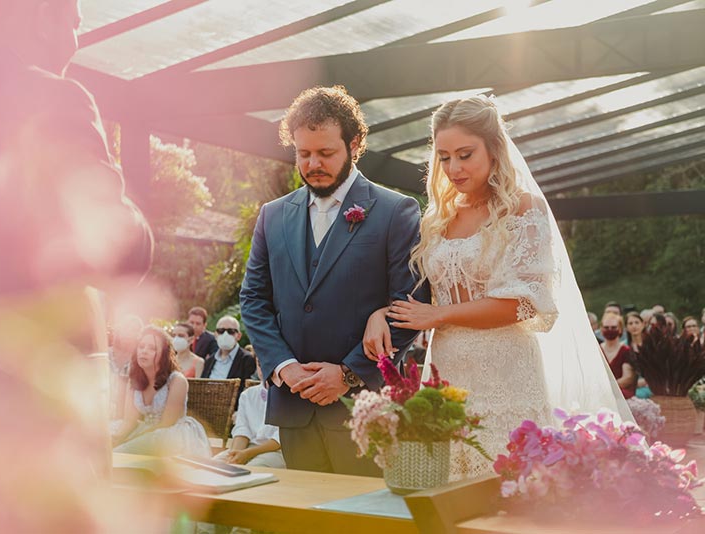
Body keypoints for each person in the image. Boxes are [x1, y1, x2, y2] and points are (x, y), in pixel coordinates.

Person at [0, 1, 158, 531]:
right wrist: (133, 216)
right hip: (37, 388)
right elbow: (116, 247)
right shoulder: (53, 96)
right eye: (73, 13)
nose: (81, 26)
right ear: (40, 13)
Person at [364, 95, 631, 480]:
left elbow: (521, 303)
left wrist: (440, 315)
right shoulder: (438, 218)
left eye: (465, 154)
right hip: (447, 371)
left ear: (494, 149)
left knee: (506, 490)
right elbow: (414, 293)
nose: (453, 168)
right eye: (444, 157)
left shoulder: (523, 208)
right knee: (447, 491)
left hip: (508, 372)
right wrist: (379, 313)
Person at [240, 86, 427, 475]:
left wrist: (347, 374)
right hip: (294, 405)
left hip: (362, 410)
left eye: (325, 153)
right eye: (303, 153)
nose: (313, 164)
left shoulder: (396, 211)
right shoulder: (271, 216)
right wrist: (284, 367)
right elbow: (253, 299)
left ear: (354, 144)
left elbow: (409, 305)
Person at [112, 326, 210, 458]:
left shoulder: (177, 381)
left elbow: (167, 423)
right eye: (141, 347)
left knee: (121, 452)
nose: (144, 351)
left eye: (152, 348)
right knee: (109, 442)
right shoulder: (134, 380)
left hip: (170, 435)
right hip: (146, 430)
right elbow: (129, 421)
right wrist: (116, 438)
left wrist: (130, 442)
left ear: (164, 354)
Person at [214, 355, 285, 468]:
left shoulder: (290, 399)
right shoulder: (247, 395)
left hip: (277, 452)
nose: (264, 368)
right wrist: (235, 453)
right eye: (260, 364)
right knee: (214, 465)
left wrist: (247, 454)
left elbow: (280, 439)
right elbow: (242, 429)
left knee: (251, 469)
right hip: (248, 447)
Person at [200, 316, 256, 405]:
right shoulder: (210, 360)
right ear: (215, 334)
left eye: (231, 331)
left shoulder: (247, 359)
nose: (225, 335)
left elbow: (247, 390)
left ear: (238, 336)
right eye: (221, 331)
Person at [109, 314, 144, 424]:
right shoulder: (106, 354)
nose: (129, 333)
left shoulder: (141, 358)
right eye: (126, 328)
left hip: (128, 410)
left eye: (134, 330)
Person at [600, 312, 636, 399]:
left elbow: (627, 378)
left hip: (621, 393)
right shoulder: (597, 351)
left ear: (620, 329)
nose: (610, 330)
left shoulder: (626, 351)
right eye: (606, 327)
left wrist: (608, 388)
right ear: (601, 329)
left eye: (613, 327)